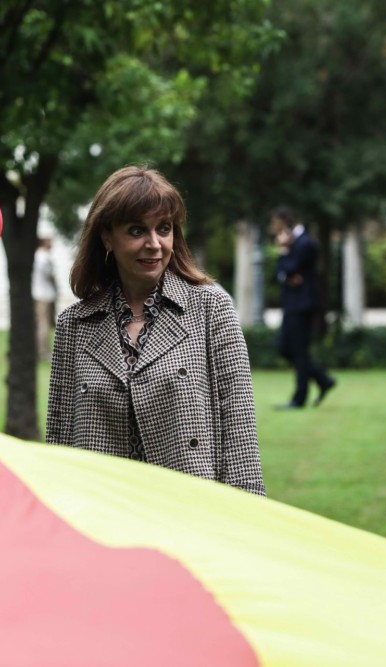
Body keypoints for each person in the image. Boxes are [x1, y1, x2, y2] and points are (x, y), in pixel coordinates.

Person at [46, 165, 265, 496]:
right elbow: (59, 439)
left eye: (164, 229)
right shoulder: (73, 325)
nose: (154, 244)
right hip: (101, 515)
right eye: (137, 231)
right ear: (107, 236)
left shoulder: (210, 308)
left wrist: (249, 518)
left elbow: (240, 430)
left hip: (190, 513)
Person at [270, 206, 335, 409]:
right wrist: (286, 276)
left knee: (299, 351)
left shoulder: (305, 243)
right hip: (292, 304)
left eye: (277, 225)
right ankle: (323, 379)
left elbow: (289, 269)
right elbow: (279, 275)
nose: (274, 230)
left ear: (286, 222)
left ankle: (299, 399)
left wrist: (283, 252)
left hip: (302, 305)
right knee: (286, 348)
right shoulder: (294, 244)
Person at [32, 236, 58, 361]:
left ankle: (40, 350)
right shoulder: (43, 256)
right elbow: (49, 275)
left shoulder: (37, 255)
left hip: (39, 293)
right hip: (44, 294)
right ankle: (43, 351)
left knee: (42, 323)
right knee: (43, 324)